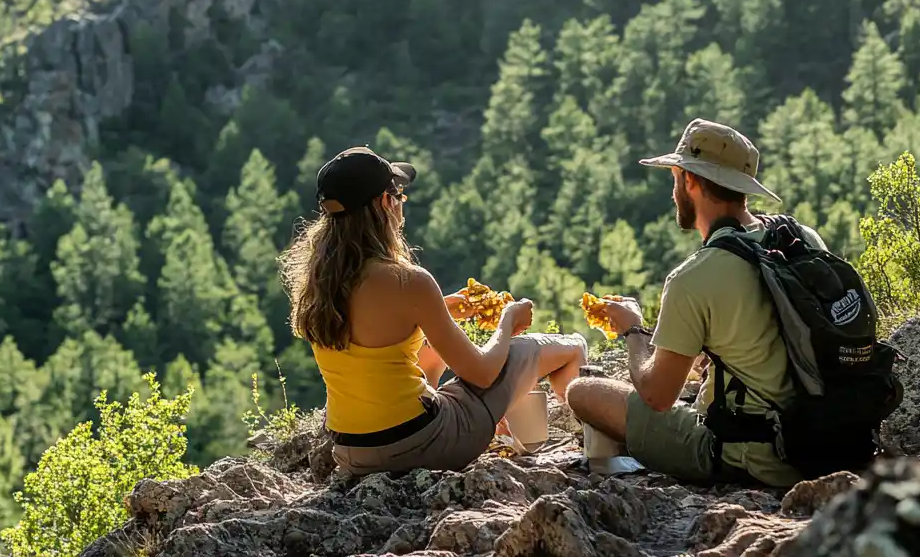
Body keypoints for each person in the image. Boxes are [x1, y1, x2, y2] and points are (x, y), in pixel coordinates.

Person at [280, 145, 588, 475]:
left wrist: (437, 313)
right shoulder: (407, 281)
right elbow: (482, 372)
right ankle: (591, 445)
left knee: (429, 357)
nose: (402, 202)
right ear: (384, 203)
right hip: (420, 445)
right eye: (397, 193)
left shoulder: (318, 280)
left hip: (352, 452)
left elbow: (373, 348)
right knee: (556, 348)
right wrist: (507, 320)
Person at [566, 118, 827, 488]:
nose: (674, 191)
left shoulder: (694, 277)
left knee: (583, 392)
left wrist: (634, 330)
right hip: (823, 435)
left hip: (751, 453)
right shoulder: (802, 238)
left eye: (675, 179)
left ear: (689, 180)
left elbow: (657, 395)